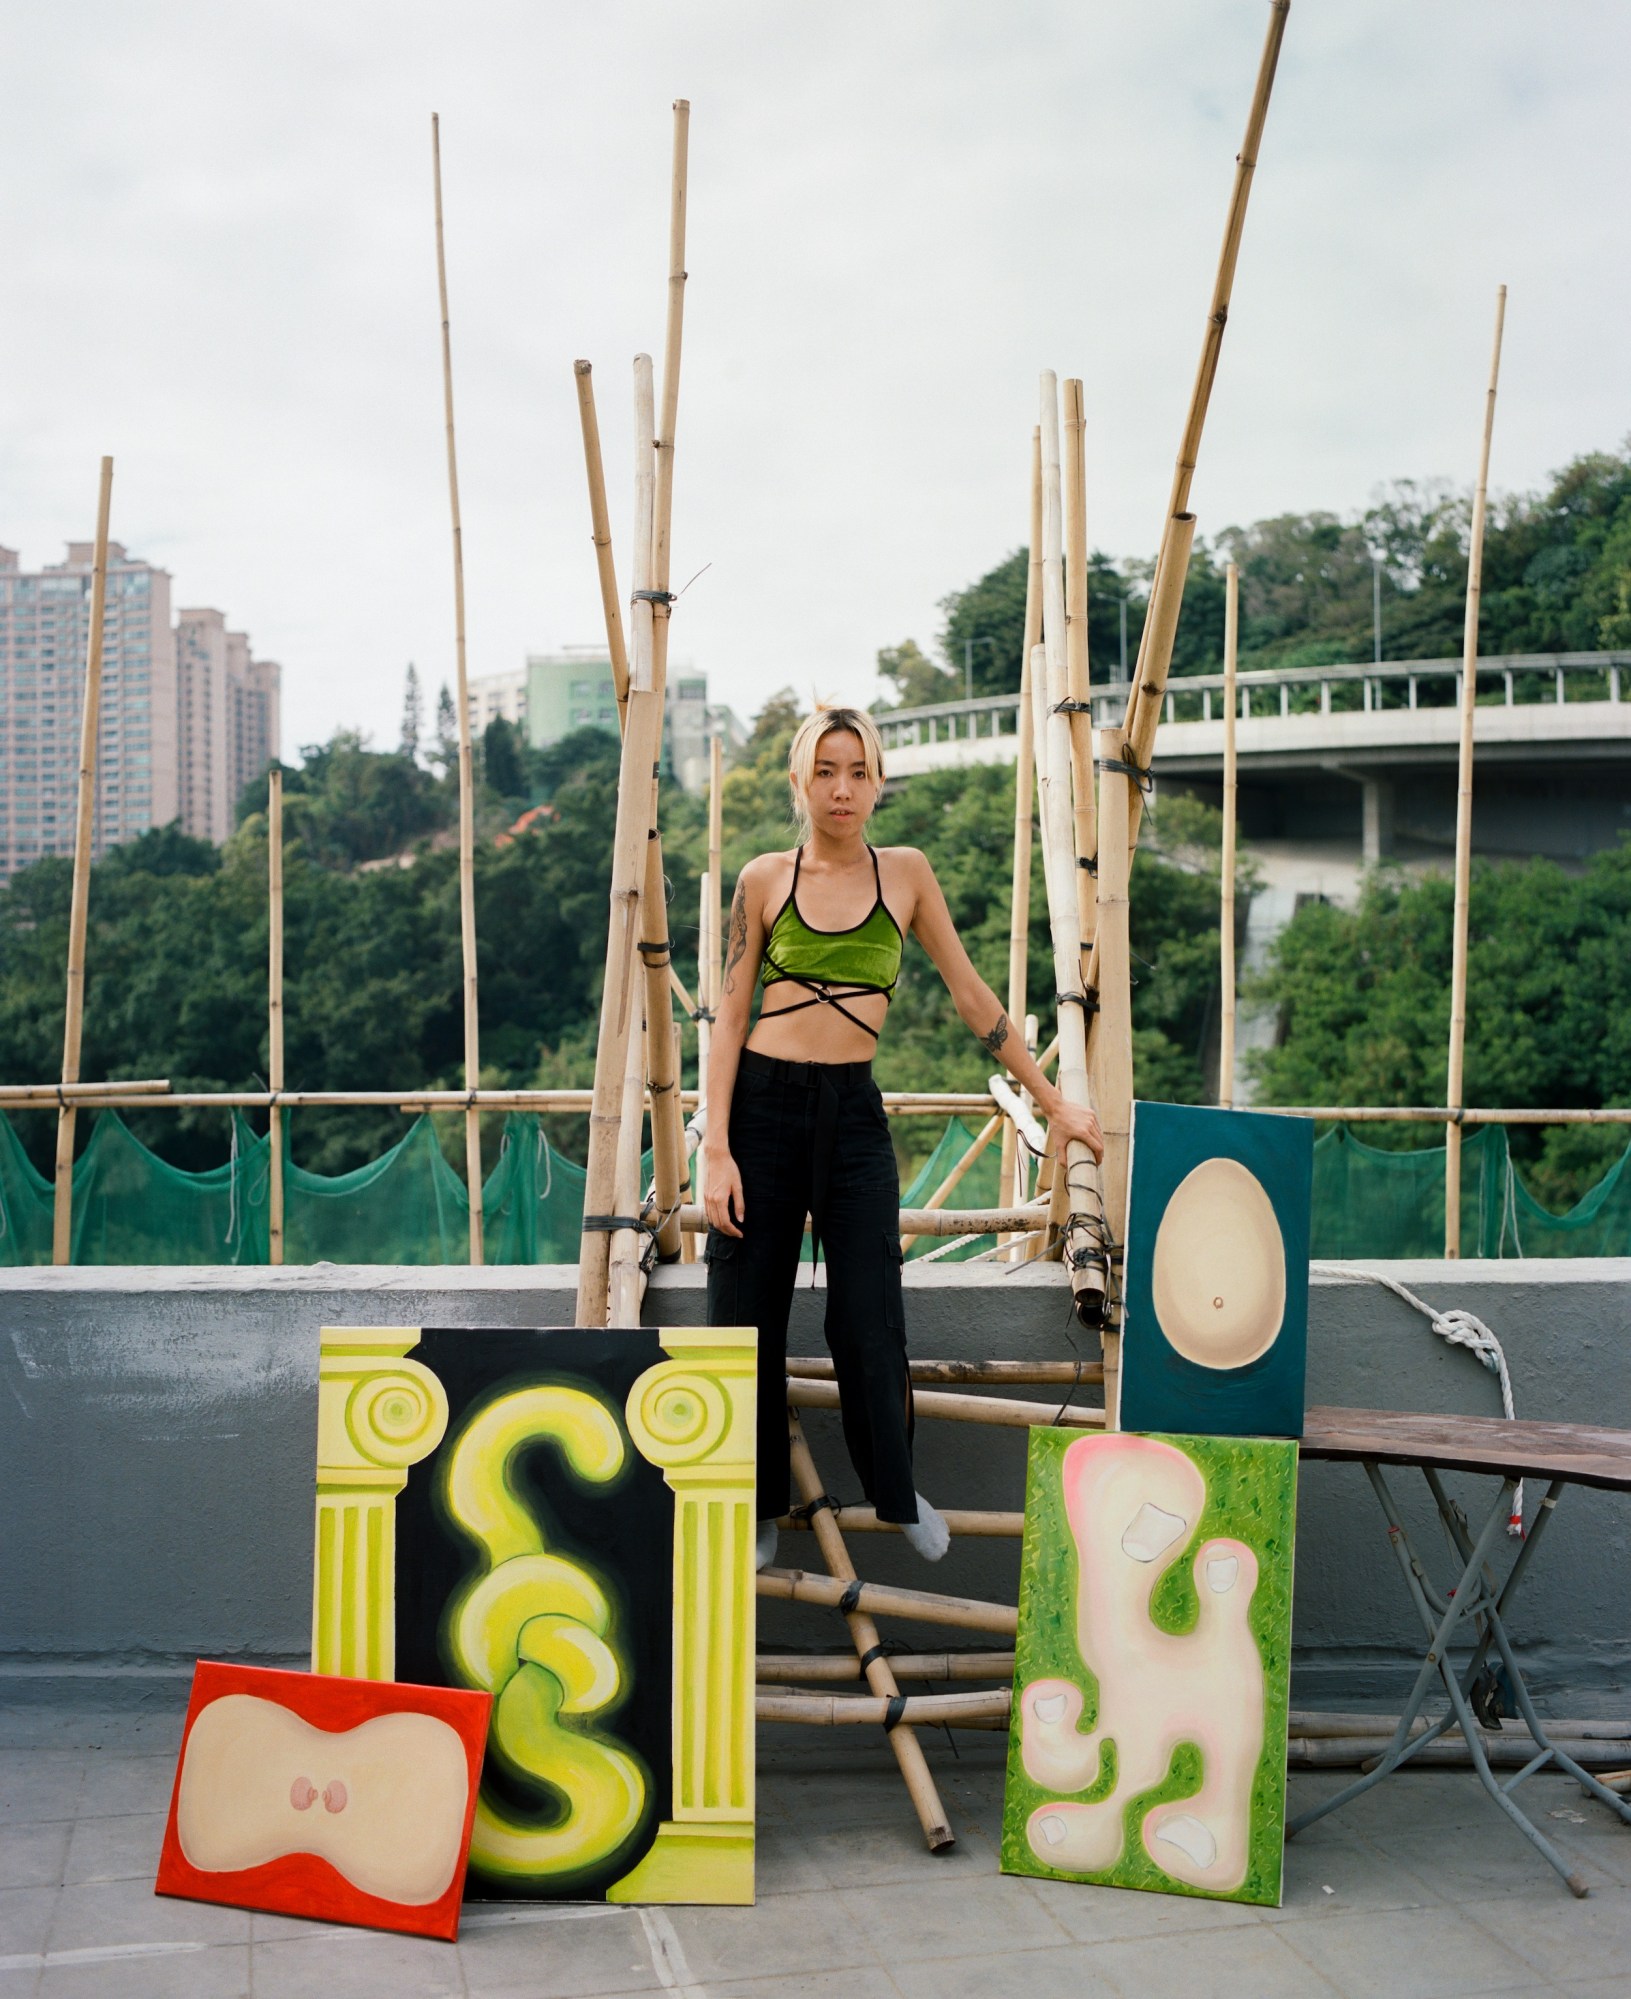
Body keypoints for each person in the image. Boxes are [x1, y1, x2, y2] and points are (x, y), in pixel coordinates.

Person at [701, 705, 1105, 1571]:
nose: (840, 789)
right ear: (799, 781)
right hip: (762, 1114)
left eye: (856, 771)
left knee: (869, 1313)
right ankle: (754, 1504)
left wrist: (1055, 1103)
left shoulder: (906, 874)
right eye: (824, 771)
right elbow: (728, 1014)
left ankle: (895, 1487)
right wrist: (715, 1148)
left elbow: (973, 999)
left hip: (851, 1117)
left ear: (879, 781)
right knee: (745, 1316)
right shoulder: (764, 877)